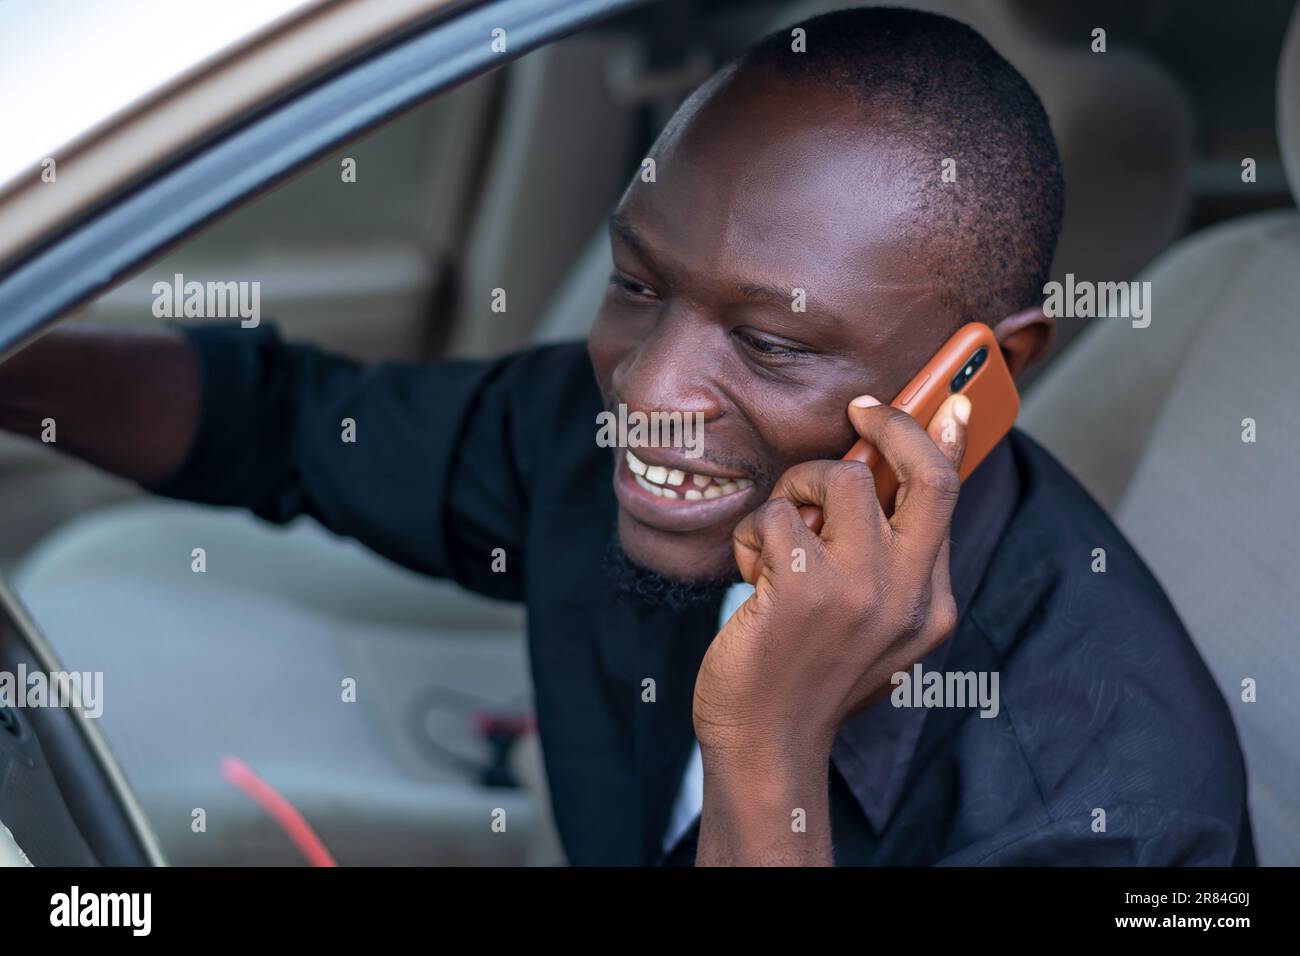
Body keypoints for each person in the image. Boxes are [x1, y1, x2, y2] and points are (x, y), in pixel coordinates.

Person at [0, 7, 1251, 865]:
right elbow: (276, 423)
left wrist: (768, 743)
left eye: (770, 344)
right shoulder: (602, 439)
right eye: (638, 284)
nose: (646, 385)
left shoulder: (1117, 813)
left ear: (977, 378)